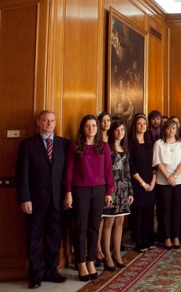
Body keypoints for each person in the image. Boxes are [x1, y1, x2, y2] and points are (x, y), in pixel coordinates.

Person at [16, 110, 70, 289]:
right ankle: (36, 274)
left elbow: (68, 174)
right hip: (35, 201)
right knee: (34, 238)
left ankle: (51, 271)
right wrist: (25, 198)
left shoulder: (64, 144)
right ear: (38, 122)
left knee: (55, 237)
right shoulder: (28, 145)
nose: (49, 123)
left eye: (52, 120)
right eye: (45, 120)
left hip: (58, 200)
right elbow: (22, 175)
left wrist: (68, 195)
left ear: (56, 123)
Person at [64, 115, 115, 282]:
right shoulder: (75, 146)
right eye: (87, 126)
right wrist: (68, 192)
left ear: (97, 128)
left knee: (94, 227)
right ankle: (80, 262)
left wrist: (109, 192)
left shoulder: (104, 147)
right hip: (80, 191)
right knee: (80, 227)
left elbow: (108, 171)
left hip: (99, 191)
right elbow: (69, 171)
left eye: (94, 126)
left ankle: (91, 260)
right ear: (83, 128)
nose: (91, 129)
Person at [152, 119, 181, 250]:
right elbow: (158, 162)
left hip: (178, 180)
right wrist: (168, 177)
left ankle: (176, 236)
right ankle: (166, 237)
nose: (171, 131)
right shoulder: (159, 144)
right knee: (165, 209)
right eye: (168, 128)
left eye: (173, 128)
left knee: (177, 208)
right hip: (162, 181)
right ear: (165, 129)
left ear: (177, 129)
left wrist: (174, 176)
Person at [101, 119, 134, 271]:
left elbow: (127, 173)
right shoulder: (106, 148)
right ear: (112, 131)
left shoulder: (124, 148)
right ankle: (106, 254)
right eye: (117, 130)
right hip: (111, 190)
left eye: (122, 129)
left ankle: (116, 254)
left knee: (120, 222)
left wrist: (130, 192)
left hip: (123, 190)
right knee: (109, 222)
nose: (120, 132)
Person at [127, 113, 156, 253]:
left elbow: (154, 163)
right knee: (137, 213)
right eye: (139, 124)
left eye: (144, 124)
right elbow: (131, 166)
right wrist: (142, 183)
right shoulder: (131, 143)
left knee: (148, 213)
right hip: (137, 182)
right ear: (135, 126)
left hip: (150, 182)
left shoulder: (150, 141)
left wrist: (152, 181)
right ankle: (139, 241)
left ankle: (147, 239)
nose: (142, 126)